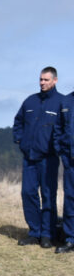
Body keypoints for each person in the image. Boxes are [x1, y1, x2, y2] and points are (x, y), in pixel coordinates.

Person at [13, 66, 63, 249]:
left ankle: (47, 235)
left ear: (55, 81)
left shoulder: (61, 102)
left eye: (46, 80)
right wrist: (19, 139)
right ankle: (34, 232)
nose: (42, 83)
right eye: (41, 79)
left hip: (48, 159)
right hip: (29, 157)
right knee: (28, 193)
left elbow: (66, 129)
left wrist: (58, 149)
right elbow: (18, 121)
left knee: (48, 196)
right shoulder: (30, 101)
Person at [56, 91, 74, 254]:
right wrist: (61, 151)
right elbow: (59, 128)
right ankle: (70, 239)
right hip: (70, 161)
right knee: (70, 200)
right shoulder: (66, 101)